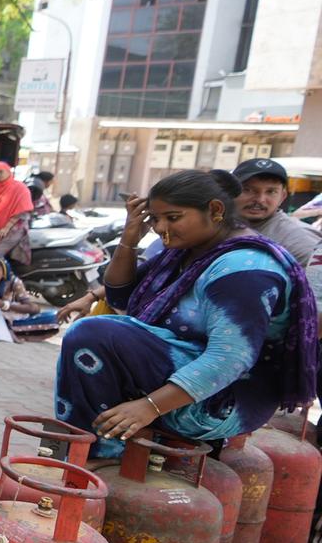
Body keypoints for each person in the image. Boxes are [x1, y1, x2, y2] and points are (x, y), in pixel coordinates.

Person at [56, 170, 318, 457]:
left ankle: (96, 455)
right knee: (98, 331)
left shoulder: (245, 267)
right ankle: (86, 450)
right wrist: (130, 236)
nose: (160, 228)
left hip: (223, 401)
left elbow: (230, 358)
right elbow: (121, 296)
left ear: (216, 211)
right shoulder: (187, 251)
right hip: (190, 376)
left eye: (173, 217)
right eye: (155, 218)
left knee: (92, 334)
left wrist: (149, 407)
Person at [232, 158, 322, 296]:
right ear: (229, 192)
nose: (260, 199)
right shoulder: (217, 227)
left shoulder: (297, 237)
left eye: (271, 192)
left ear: (283, 196)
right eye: (248, 190)